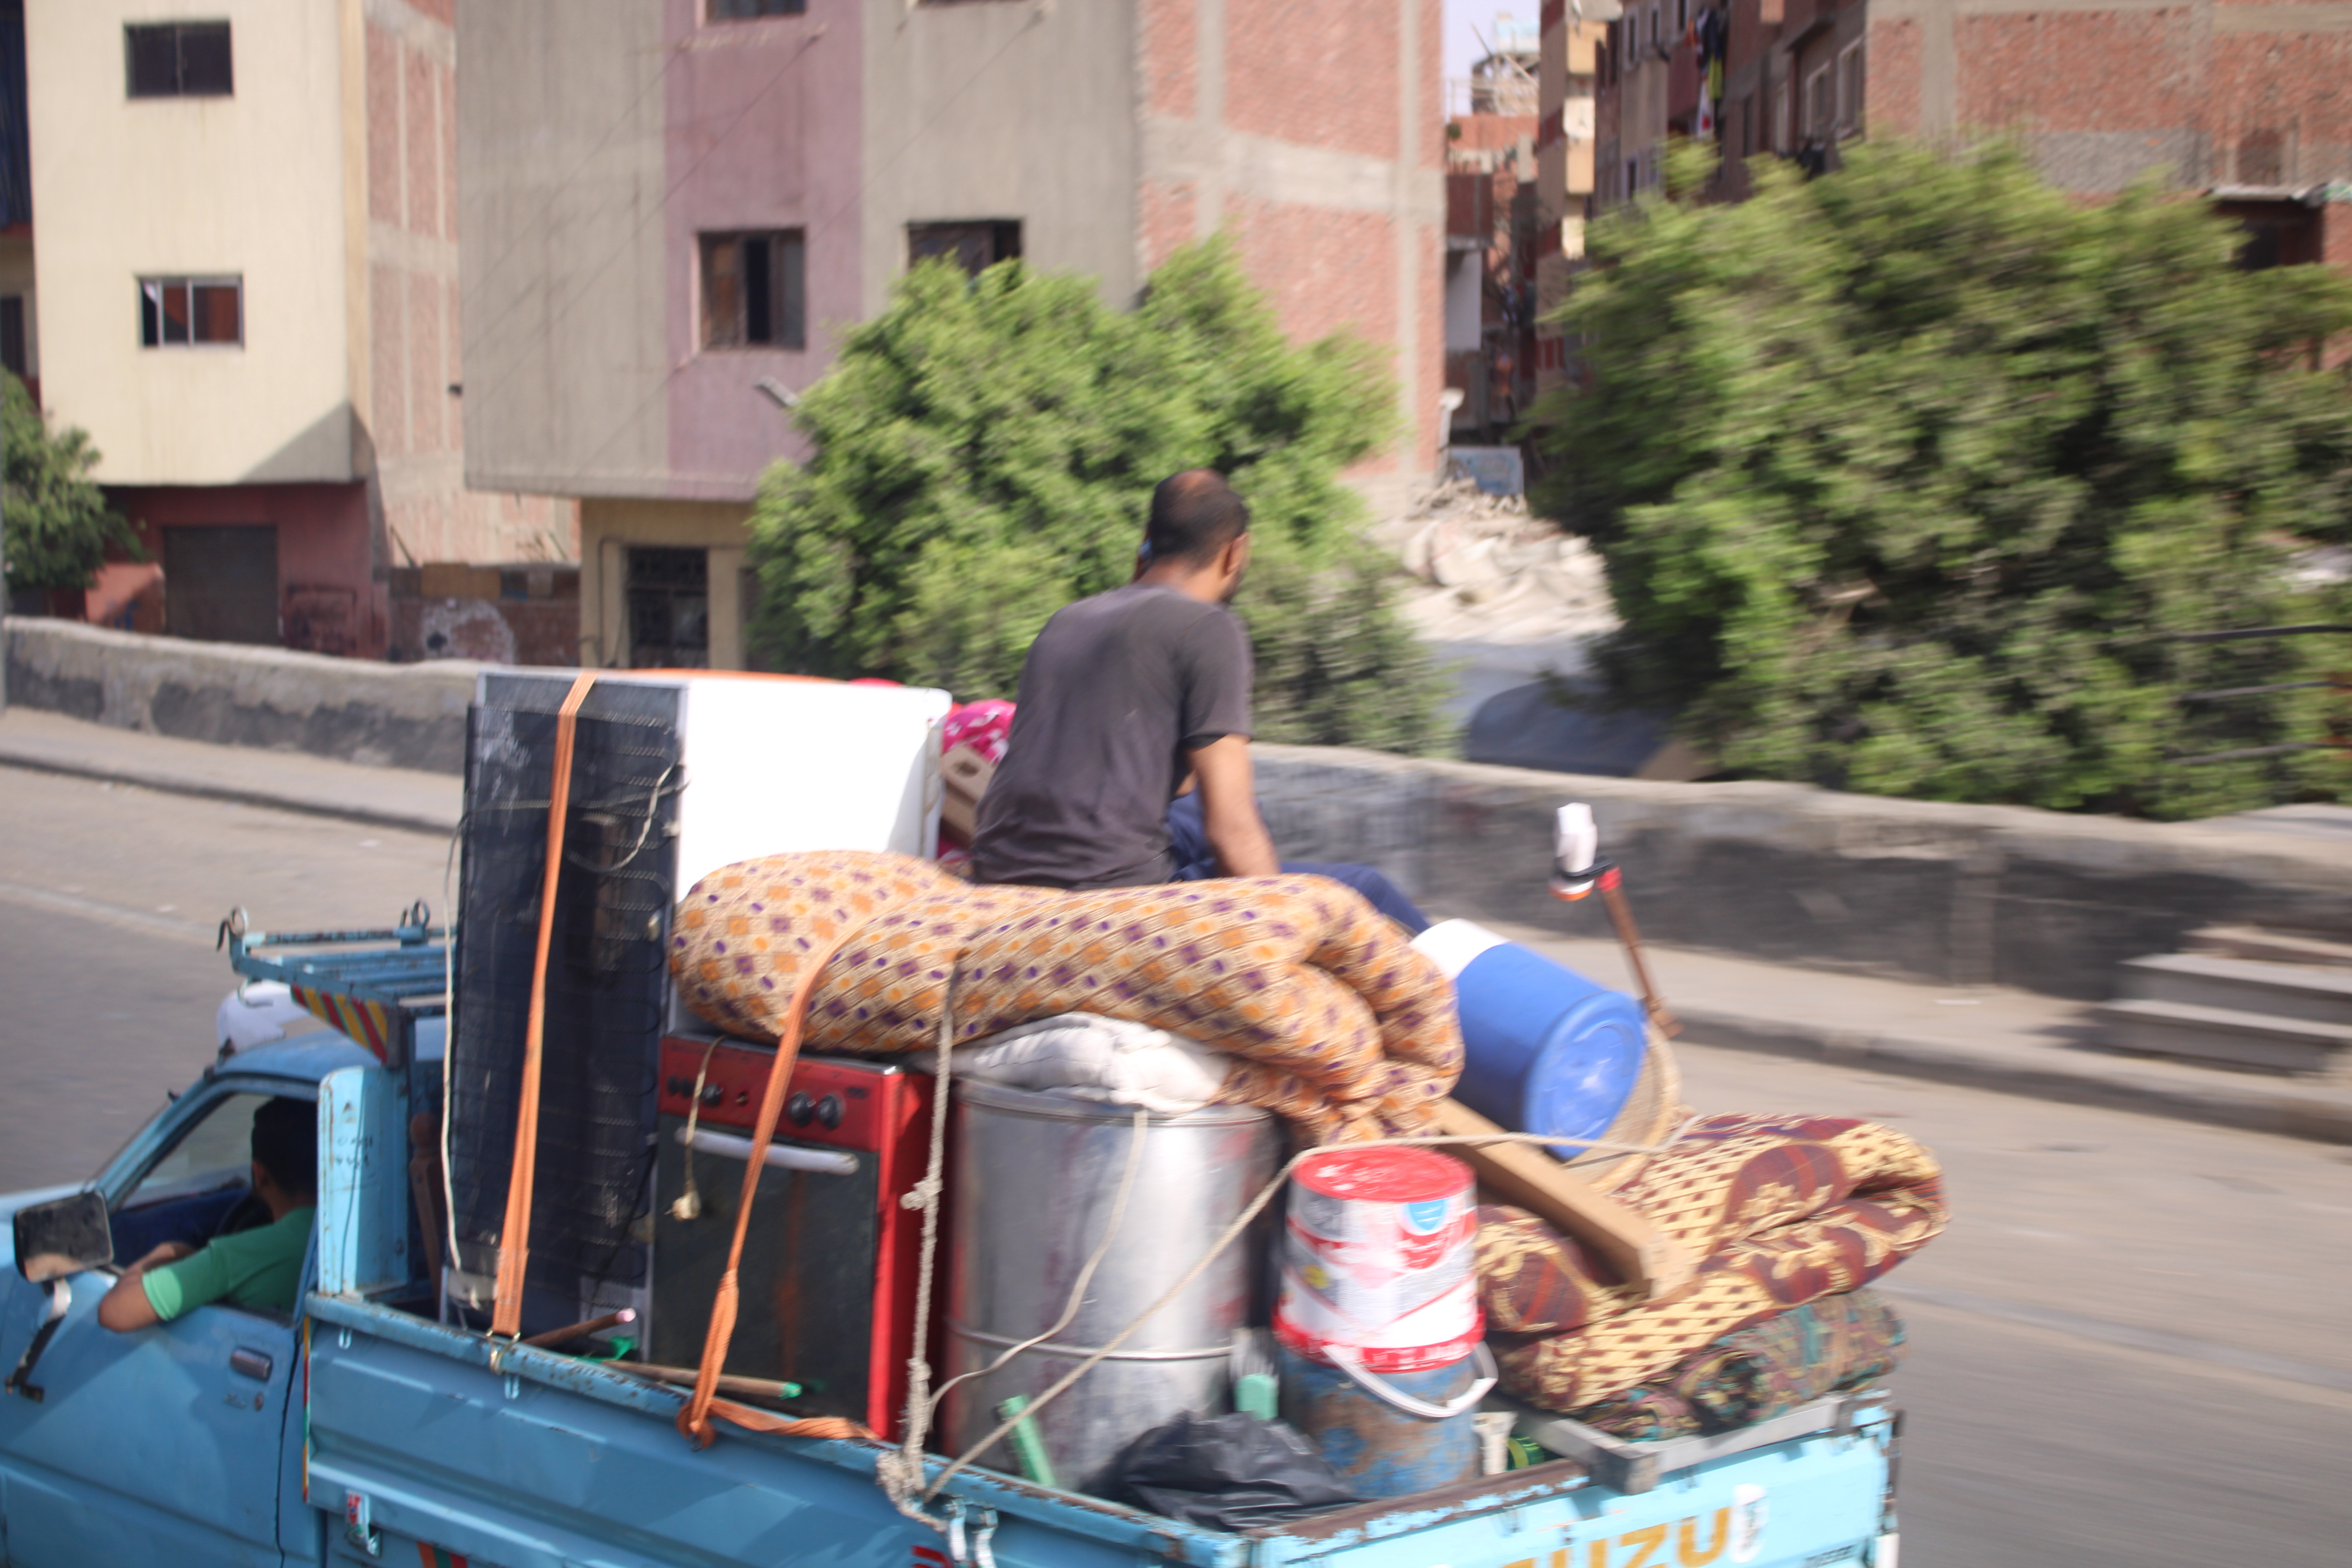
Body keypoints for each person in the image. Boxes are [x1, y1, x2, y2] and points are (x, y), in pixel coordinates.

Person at [972, 469, 1431, 931]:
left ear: (1148, 539)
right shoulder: (1207, 628)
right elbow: (1231, 829)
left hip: (1000, 871)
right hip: (1108, 893)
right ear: (1236, 552)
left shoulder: (1066, 620)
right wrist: (1281, 927)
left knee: (1187, 808)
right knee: (1367, 887)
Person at [97, 1096, 317, 1330]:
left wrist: (169, 1253)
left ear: (259, 1173)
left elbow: (116, 1312)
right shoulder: (349, 1242)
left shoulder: (237, 1257)